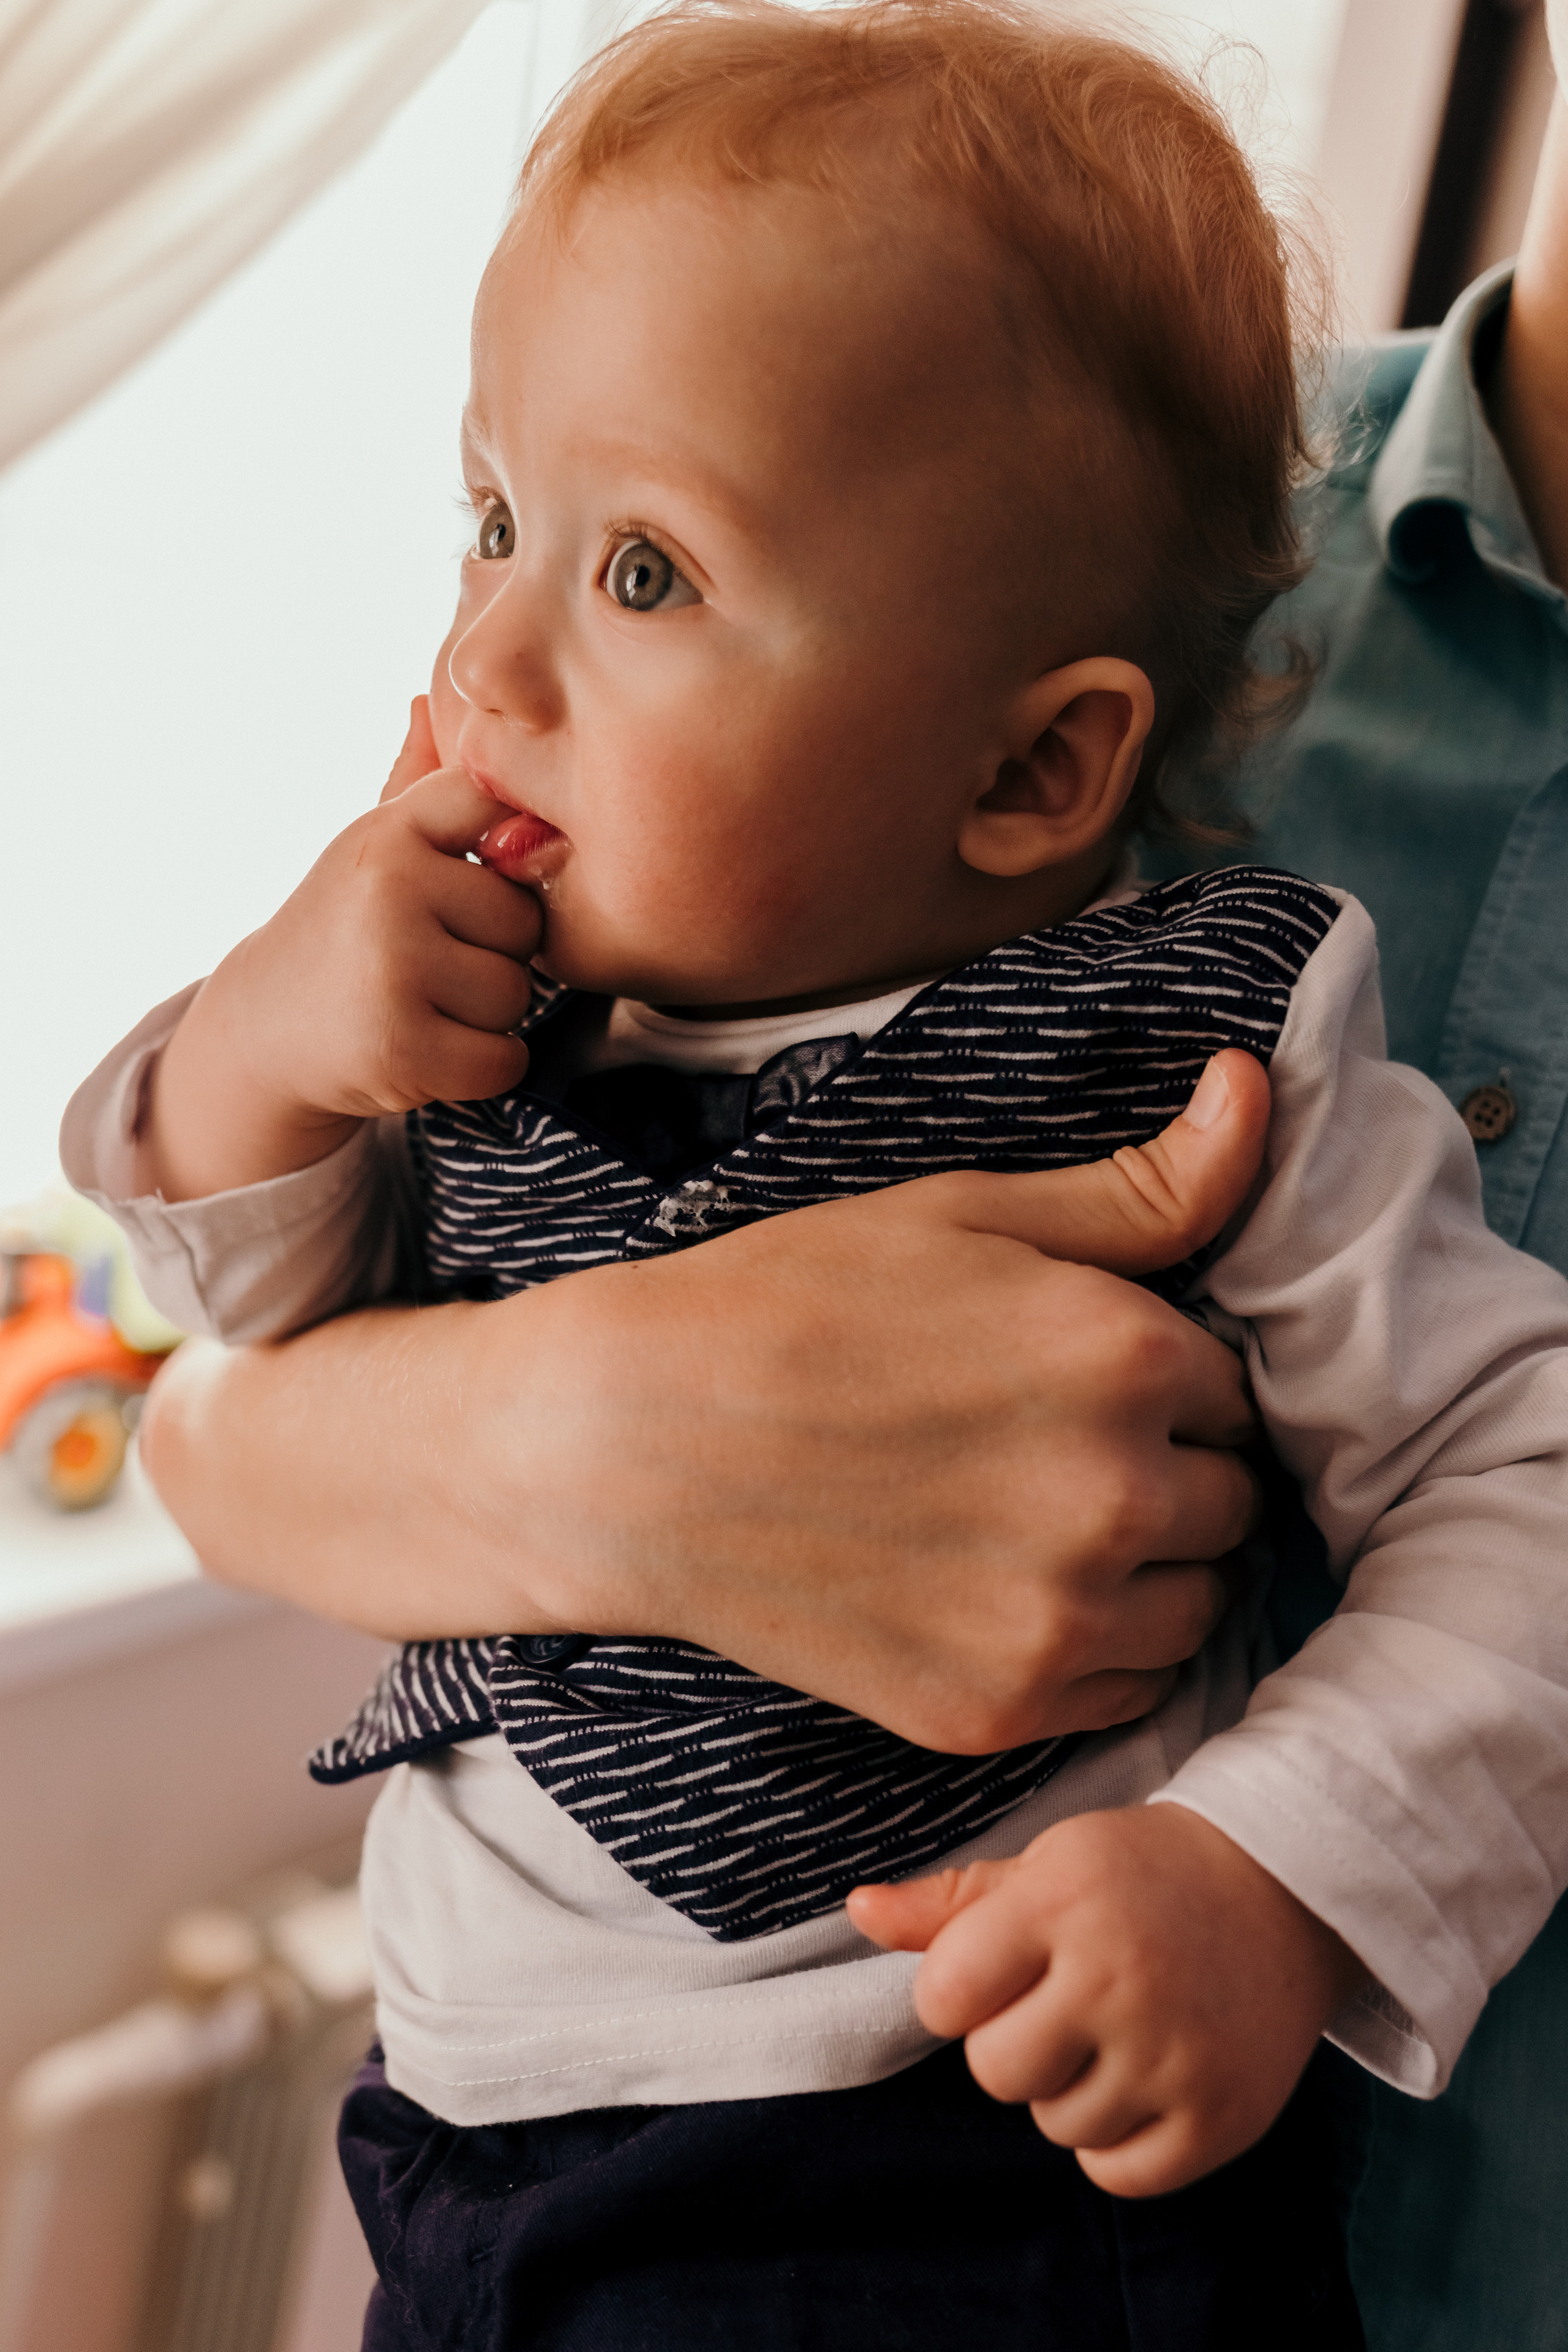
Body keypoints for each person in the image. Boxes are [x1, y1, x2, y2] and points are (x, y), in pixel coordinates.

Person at [61, 3, 1568, 2344]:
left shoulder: (1201, 1035)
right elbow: (231, 1325)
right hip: (466, 2136)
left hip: (956, 2165)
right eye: (493, 519)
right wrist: (269, 1041)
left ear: (1037, 772)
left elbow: (1524, 1476)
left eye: (646, 575)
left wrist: (1273, 1870)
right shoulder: (487, 968)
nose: (487, 657)